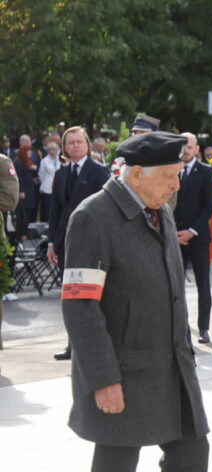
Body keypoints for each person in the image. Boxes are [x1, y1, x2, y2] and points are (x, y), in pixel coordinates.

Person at [62, 132, 212, 472]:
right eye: (170, 176)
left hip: (171, 364)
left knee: (191, 454)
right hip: (122, 370)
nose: (177, 185)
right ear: (135, 174)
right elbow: (80, 307)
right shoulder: (93, 217)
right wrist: (102, 379)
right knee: (115, 471)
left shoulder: (159, 210)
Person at [49, 127, 111, 361]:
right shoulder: (61, 173)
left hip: (91, 240)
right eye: (70, 142)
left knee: (91, 295)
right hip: (65, 241)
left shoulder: (99, 171)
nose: (75, 146)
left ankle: (94, 345)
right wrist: (51, 243)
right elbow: (55, 210)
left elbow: (106, 208)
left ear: (87, 144)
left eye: (79, 141)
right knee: (70, 295)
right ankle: (72, 345)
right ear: (64, 147)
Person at [173, 132, 212, 344]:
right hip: (175, 236)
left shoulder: (206, 172)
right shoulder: (171, 170)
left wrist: (192, 231)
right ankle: (180, 328)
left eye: (189, 147)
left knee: (203, 284)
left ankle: (203, 328)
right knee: (176, 285)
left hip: (198, 236)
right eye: (182, 147)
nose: (186, 151)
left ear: (197, 149)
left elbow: (209, 206)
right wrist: (174, 232)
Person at [38, 141, 61, 223]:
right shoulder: (44, 161)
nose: (53, 152)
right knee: (47, 210)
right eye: (51, 150)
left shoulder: (60, 160)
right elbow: (41, 174)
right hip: (47, 189)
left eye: (55, 150)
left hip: (59, 188)